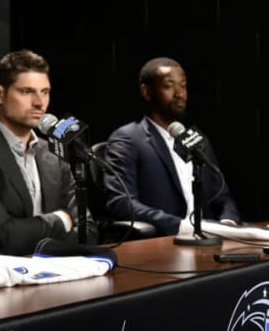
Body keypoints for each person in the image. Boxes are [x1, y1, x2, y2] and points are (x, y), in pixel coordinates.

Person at [0, 49, 97, 256]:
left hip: (54, 267)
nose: (39, 102)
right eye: (26, 91)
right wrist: (62, 220)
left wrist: (23, 233)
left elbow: (88, 231)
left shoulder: (53, 152)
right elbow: (1, 235)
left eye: (45, 92)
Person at [103, 57, 240, 236]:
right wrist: (180, 226)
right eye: (169, 86)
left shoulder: (195, 138)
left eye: (183, 85)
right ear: (147, 92)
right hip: (165, 240)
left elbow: (222, 195)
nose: (179, 94)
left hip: (211, 239)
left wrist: (228, 224)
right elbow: (121, 202)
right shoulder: (128, 139)